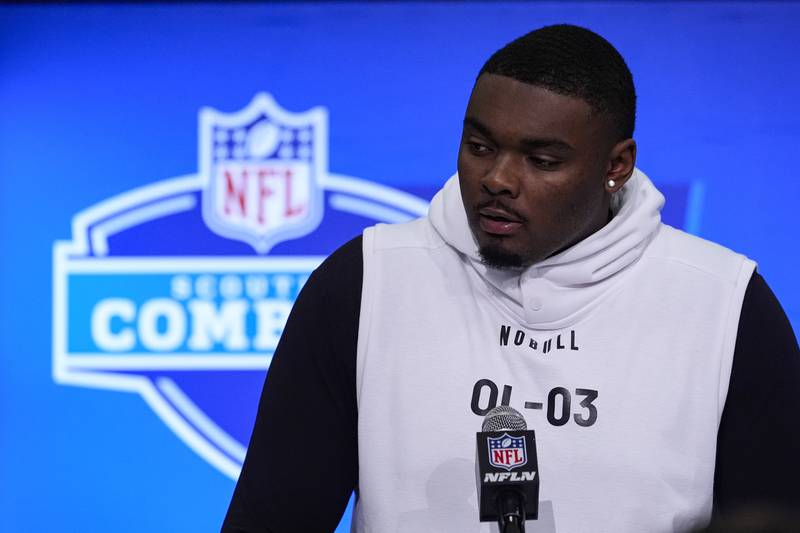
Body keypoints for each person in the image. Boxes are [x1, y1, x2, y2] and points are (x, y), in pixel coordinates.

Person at [222, 24, 800, 533]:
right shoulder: (365, 282)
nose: (497, 178)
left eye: (541, 160)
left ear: (616, 166)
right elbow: (270, 520)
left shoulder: (724, 305)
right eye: (479, 147)